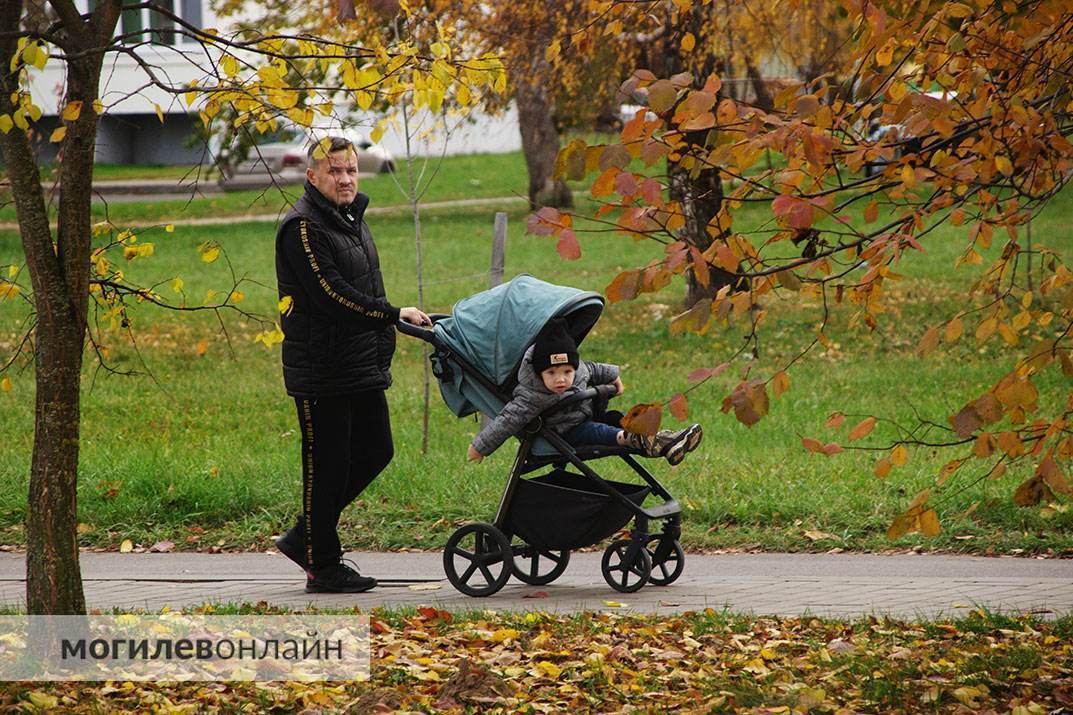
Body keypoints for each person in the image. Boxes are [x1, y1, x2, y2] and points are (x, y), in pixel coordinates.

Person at [273, 136, 430, 593]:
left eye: (350, 171)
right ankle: (321, 563)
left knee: (376, 450)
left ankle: (305, 535)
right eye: (334, 171)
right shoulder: (302, 228)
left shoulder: (348, 219)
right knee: (327, 466)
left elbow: (364, 285)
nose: (344, 179)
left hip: (357, 362)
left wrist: (386, 326)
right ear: (312, 176)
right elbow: (331, 295)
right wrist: (390, 315)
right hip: (321, 368)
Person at [466, 318, 703, 464]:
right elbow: (507, 420)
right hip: (564, 434)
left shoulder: (578, 371)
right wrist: (480, 447)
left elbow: (592, 369)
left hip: (586, 416)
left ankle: (664, 441)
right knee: (600, 431)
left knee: (617, 418)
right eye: (551, 374)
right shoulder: (531, 394)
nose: (561, 380)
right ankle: (642, 439)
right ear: (539, 373)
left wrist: (614, 377)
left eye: (566, 372)